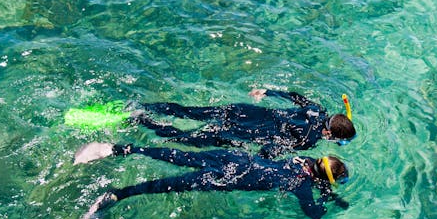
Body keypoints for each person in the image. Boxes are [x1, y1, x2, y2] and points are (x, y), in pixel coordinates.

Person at [69, 142, 350, 219]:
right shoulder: (301, 186)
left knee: (177, 155)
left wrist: (326, 187)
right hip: (229, 176)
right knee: (167, 186)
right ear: (322, 179)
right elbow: (313, 214)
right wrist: (330, 200)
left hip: (235, 158)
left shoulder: (301, 161)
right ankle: (117, 195)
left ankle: (117, 149)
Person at [133, 89, 356, 158]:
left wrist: (267, 91)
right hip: (239, 132)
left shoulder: (318, 110)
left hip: (242, 110)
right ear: (328, 134)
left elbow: (296, 96)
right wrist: (257, 159)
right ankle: (140, 120)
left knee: (189, 112)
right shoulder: (309, 140)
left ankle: (143, 106)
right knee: (183, 138)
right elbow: (272, 149)